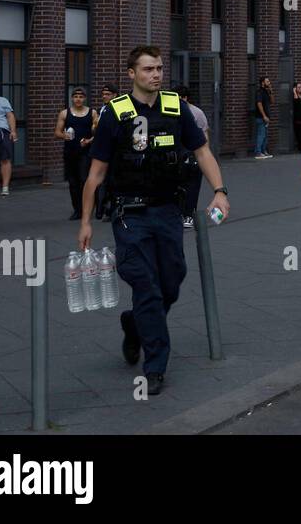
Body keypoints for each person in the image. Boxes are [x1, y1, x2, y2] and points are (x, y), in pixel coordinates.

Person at [79, 45, 230, 397]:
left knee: (172, 281)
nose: (156, 74)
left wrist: (220, 191)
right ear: (132, 73)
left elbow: (202, 151)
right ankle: (155, 366)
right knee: (145, 284)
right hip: (129, 214)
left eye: (160, 68)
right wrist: (85, 221)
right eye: (148, 69)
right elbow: (96, 174)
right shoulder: (115, 114)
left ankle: (134, 326)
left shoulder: (176, 108)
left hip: (167, 211)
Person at [54, 88, 97, 220]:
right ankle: (77, 210)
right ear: (72, 98)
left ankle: (87, 209)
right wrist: (64, 135)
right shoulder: (65, 113)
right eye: (76, 96)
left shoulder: (92, 113)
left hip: (85, 152)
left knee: (84, 180)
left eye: (81, 96)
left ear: (85, 98)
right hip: (70, 152)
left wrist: (89, 140)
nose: (78, 99)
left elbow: (98, 133)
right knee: (73, 183)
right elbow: (57, 132)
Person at [177, 87, 210, 230]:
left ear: (184, 98)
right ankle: (184, 213)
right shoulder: (172, 113)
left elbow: (204, 136)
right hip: (182, 155)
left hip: (191, 154)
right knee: (185, 186)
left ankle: (188, 214)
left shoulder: (196, 113)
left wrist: (206, 156)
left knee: (191, 186)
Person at [253, 76, 274, 159]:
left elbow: (272, 101)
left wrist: (271, 91)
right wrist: (264, 116)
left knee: (265, 135)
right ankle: (258, 152)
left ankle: (263, 151)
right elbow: (259, 103)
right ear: (262, 83)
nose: (269, 83)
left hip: (266, 118)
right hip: (261, 117)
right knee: (261, 135)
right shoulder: (259, 92)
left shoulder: (266, 91)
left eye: (269, 81)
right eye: (267, 81)